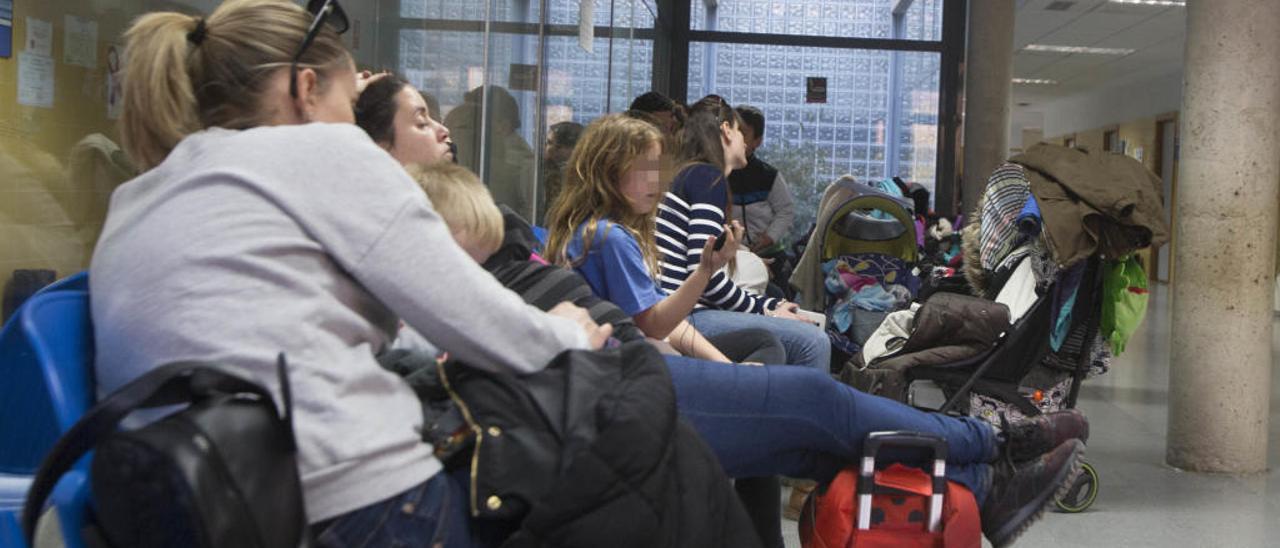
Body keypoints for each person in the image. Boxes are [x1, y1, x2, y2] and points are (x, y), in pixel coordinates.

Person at [91, 2, 611, 546]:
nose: (355, 125)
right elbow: (487, 328)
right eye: (353, 103)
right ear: (306, 89)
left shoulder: (137, 197)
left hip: (206, 507)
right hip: (360, 505)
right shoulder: (320, 148)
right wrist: (571, 332)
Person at [544, 113, 1089, 548]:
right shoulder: (611, 235)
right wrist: (712, 278)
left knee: (817, 445)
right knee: (816, 392)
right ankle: (995, 445)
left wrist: (723, 364)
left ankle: (986, 484)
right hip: (645, 391)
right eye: (645, 169)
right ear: (606, 170)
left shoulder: (593, 234)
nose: (657, 181)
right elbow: (658, 322)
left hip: (645, 377)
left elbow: (656, 324)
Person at [657, 95, 832, 373]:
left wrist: (769, 304)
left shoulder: (694, 175)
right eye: (740, 132)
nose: (745, 142)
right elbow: (704, 277)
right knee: (813, 341)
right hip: (685, 316)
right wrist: (767, 308)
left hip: (679, 313)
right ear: (726, 130)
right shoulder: (706, 178)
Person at [445, 86, 536, 219]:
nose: (450, 136)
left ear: (502, 126)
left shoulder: (521, 165)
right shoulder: (478, 159)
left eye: (465, 128)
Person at [729, 105, 795, 257]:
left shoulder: (769, 175)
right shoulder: (718, 174)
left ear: (757, 141)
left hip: (767, 253)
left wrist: (770, 237)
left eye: (743, 133)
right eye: (732, 131)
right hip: (731, 254)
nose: (735, 138)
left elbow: (786, 210)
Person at [540, 120, 584, 222]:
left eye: (550, 143)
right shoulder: (544, 169)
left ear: (569, 148)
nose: (547, 148)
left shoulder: (580, 176)